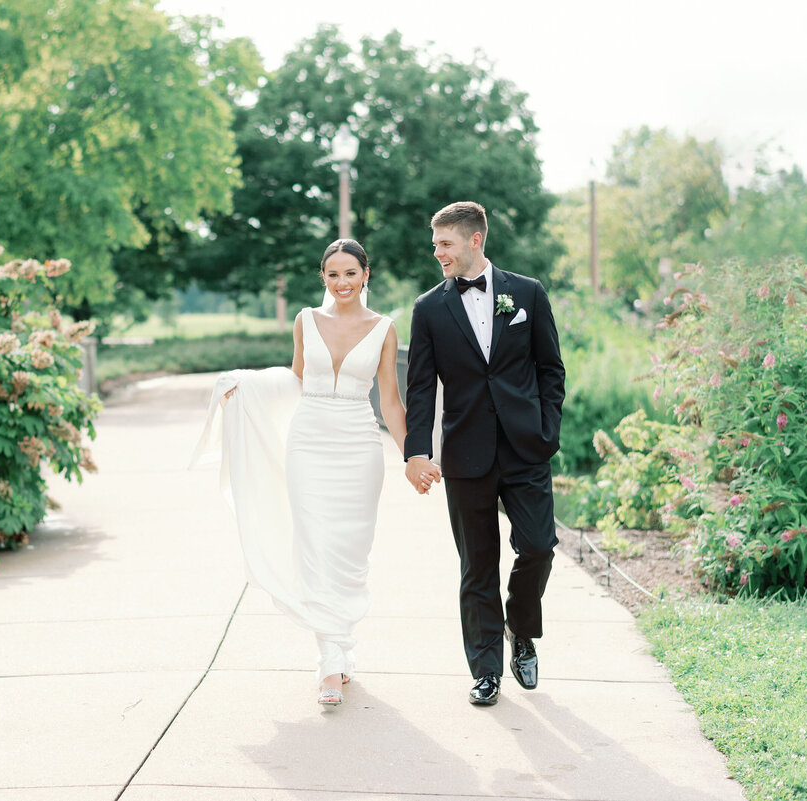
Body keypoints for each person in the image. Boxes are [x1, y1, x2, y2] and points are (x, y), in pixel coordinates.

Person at [194, 239, 408, 707]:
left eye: (351, 272)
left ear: (366, 274)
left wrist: (413, 455)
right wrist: (246, 387)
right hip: (308, 444)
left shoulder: (384, 328)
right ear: (323, 278)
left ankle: (341, 644)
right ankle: (329, 663)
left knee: (349, 551)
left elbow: (390, 400)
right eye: (333, 274)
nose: (342, 282)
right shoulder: (305, 320)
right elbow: (295, 380)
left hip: (358, 444)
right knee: (314, 546)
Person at [403, 201, 565, 707]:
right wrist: (417, 452)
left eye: (445, 244)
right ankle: (486, 670)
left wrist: (547, 432)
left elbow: (550, 370)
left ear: (475, 240)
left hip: (525, 448)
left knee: (538, 546)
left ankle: (522, 629)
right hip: (466, 452)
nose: (438, 254)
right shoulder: (428, 308)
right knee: (477, 565)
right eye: (435, 245)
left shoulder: (528, 294)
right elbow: (422, 387)